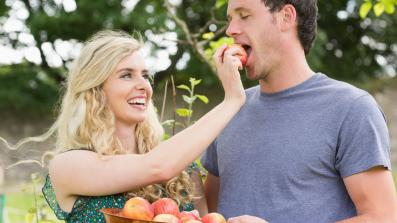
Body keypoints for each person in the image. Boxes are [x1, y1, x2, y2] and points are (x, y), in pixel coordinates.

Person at [0, 30, 245, 223]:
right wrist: (233, 99)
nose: (144, 85)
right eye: (126, 75)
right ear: (95, 91)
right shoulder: (69, 166)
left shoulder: (183, 171)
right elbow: (156, 167)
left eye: (145, 75)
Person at [201, 0, 397, 223]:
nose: (230, 30)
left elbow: (382, 217)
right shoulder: (229, 109)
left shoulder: (351, 108)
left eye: (244, 16)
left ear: (286, 17)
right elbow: (209, 212)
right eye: (230, 19)